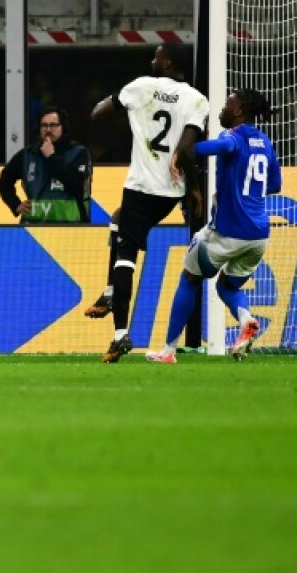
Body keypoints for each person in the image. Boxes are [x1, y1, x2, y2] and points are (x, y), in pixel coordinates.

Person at [84, 43, 209, 363]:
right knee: (118, 218)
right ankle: (110, 292)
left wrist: (121, 107)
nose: (152, 60)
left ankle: (120, 334)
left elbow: (99, 112)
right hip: (171, 192)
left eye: (156, 56)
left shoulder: (141, 87)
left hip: (141, 187)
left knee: (126, 256)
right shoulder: (197, 99)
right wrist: (192, 189)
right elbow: (189, 145)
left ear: (166, 62)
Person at [146, 89, 282, 363]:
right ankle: (246, 320)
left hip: (228, 233)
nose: (221, 110)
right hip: (258, 236)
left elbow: (208, 149)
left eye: (227, 104)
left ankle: (168, 351)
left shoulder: (232, 137)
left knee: (190, 278)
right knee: (226, 287)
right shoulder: (266, 143)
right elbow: (275, 185)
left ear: (240, 110)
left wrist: (184, 150)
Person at [0, 106, 92, 224]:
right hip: (34, 227)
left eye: (53, 125)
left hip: (70, 226)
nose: (48, 130)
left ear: (63, 128)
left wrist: (51, 157)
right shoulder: (28, 154)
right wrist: (15, 204)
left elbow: (77, 186)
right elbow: (5, 180)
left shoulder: (78, 153)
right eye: (44, 125)